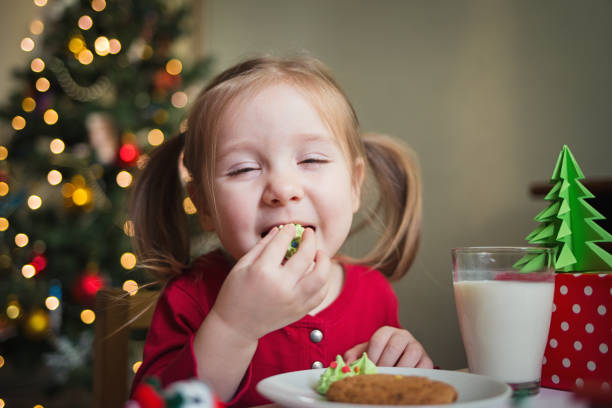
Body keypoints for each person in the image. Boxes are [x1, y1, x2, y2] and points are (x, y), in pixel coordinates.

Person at [129, 56, 431, 407]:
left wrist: (406, 365)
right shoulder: (191, 297)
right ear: (205, 206)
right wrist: (232, 327)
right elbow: (156, 402)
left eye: (311, 160)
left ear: (354, 185)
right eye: (243, 169)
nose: (283, 188)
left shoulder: (375, 295)